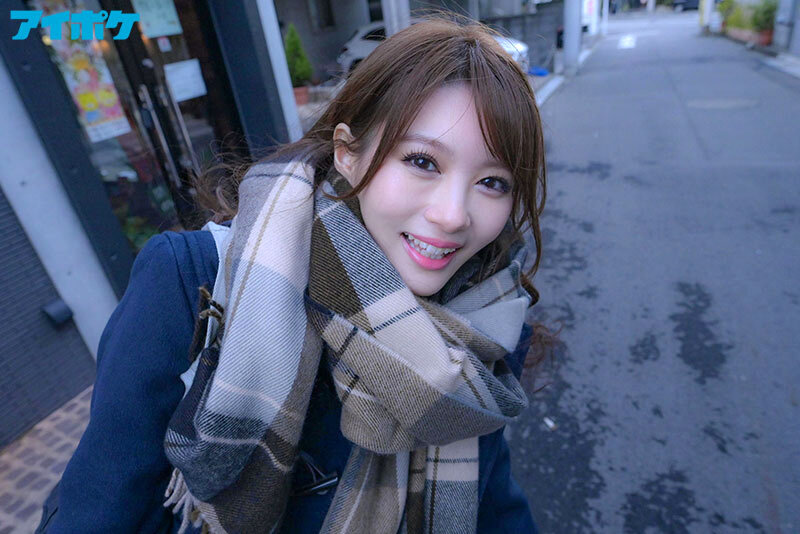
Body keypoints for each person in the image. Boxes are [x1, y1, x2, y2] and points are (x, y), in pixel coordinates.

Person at [38, 16, 553, 534]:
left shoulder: (486, 319)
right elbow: (99, 509)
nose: (453, 215)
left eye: (493, 182)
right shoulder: (189, 280)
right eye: (422, 161)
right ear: (347, 152)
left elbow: (495, 507)